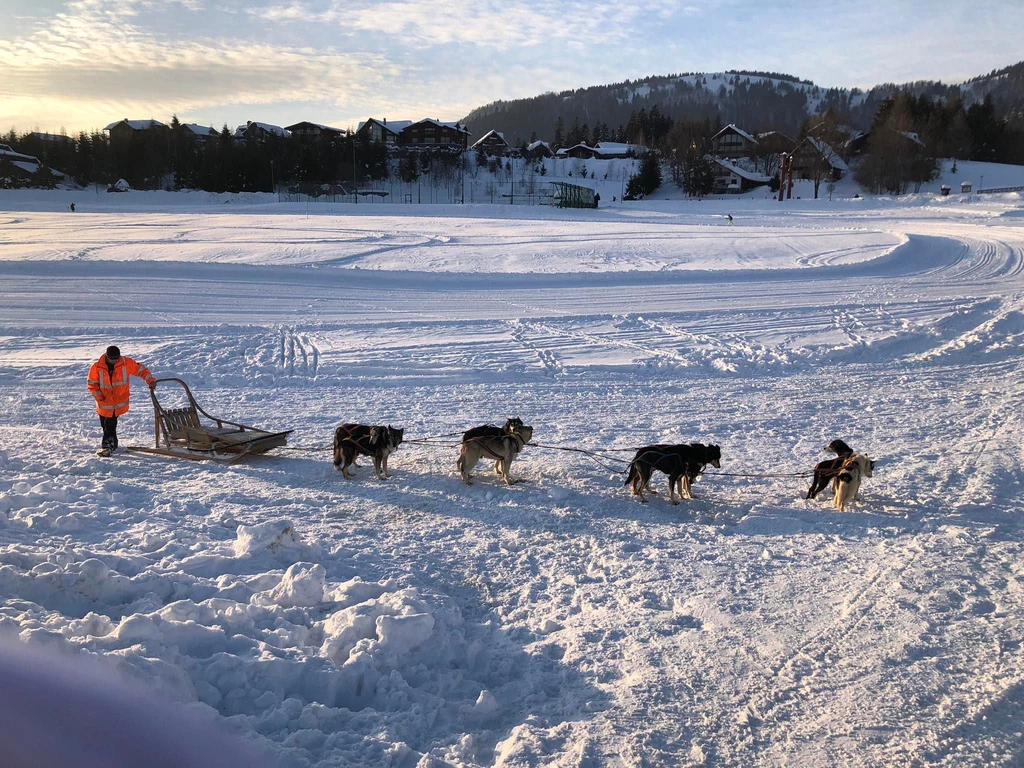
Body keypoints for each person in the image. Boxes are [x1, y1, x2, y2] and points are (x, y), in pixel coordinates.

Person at [87, 346, 156, 456]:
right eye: (112, 359)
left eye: (116, 359)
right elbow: (92, 384)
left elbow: (141, 370)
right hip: (104, 403)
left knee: (110, 424)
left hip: (118, 402)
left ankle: (107, 446)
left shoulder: (125, 363)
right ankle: (113, 443)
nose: (114, 361)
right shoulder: (97, 367)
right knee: (105, 424)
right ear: (107, 357)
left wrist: (150, 380)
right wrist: (99, 396)